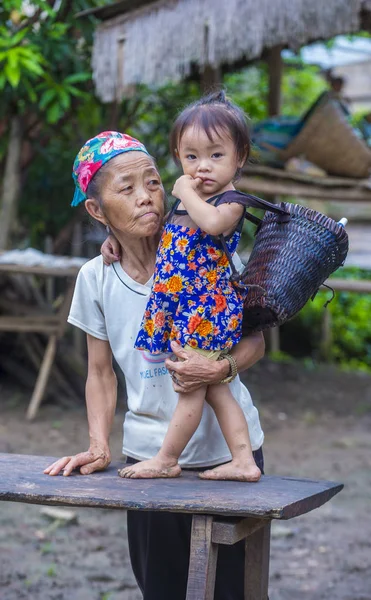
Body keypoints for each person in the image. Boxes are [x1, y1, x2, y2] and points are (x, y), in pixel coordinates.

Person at [43, 130, 265, 599]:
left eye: (154, 183)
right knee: (160, 590)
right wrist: (99, 445)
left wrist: (218, 370)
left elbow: (255, 343)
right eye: (127, 189)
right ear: (97, 211)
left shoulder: (202, 244)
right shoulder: (95, 277)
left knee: (233, 592)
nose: (146, 197)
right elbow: (100, 373)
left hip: (225, 455)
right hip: (147, 462)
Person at [111, 91, 260, 482]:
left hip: (206, 311)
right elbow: (159, 238)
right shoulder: (182, 205)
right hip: (182, 310)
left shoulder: (230, 201)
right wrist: (113, 239)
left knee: (192, 386)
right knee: (214, 390)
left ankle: (166, 458)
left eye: (216, 155)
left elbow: (212, 225)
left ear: (239, 156)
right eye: (191, 157)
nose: (202, 167)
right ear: (178, 154)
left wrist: (185, 190)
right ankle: (243, 460)